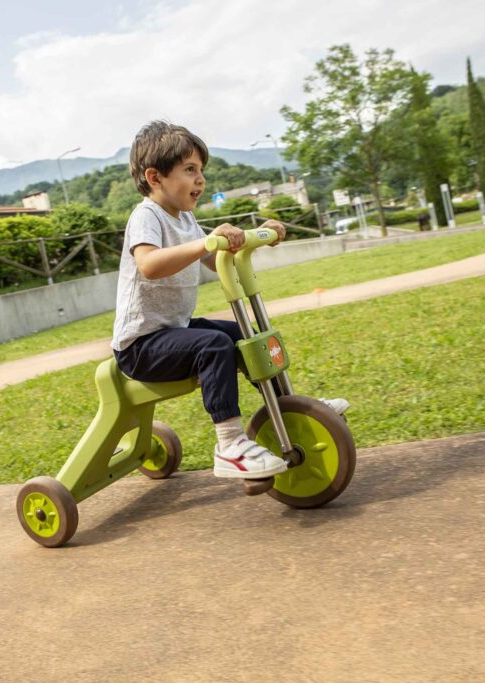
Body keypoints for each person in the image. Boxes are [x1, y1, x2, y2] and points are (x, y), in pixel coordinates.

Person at [111, 121, 347, 480]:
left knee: (244, 336)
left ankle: (291, 407)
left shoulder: (186, 218)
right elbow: (149, 264)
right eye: (190, 170)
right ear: (155, 177)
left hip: (172, 330)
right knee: (214, 345)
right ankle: (230, 444)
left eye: (201, 171)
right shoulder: (147, 215)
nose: (200, 180)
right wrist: (207, 242)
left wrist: (257, 237)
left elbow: (214, 259)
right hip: (141, 345)